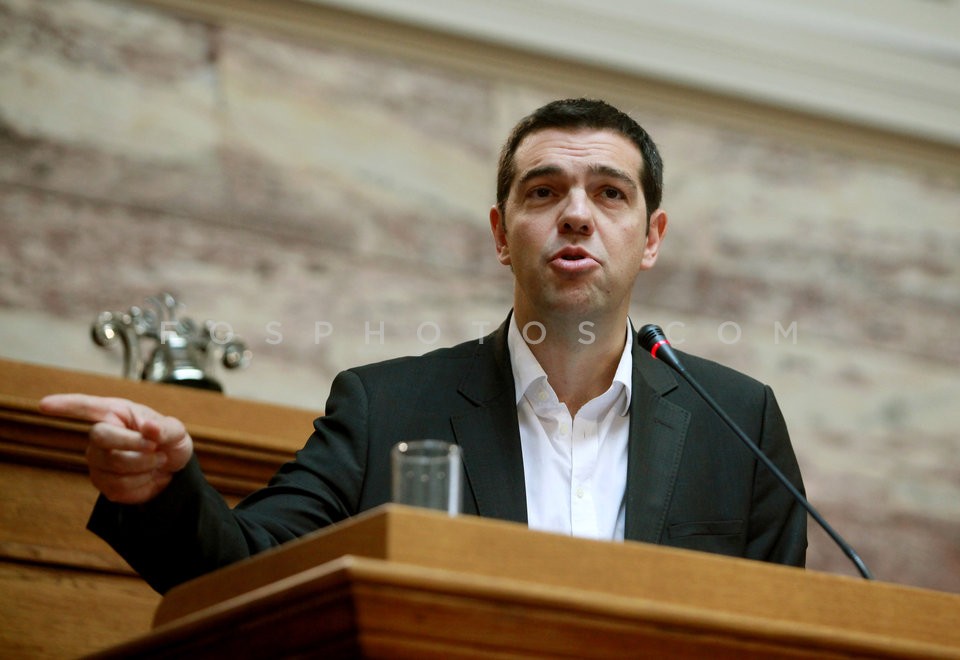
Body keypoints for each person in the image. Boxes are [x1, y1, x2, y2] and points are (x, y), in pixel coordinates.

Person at [40, 98, 807, 594]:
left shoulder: (738, 426)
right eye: (543, 191)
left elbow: (783, 631)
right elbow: (248, 568)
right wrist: (162, 491)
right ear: (502, 235)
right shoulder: (387, 407)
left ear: (652, 237)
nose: (577, 215)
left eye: (610, 193)